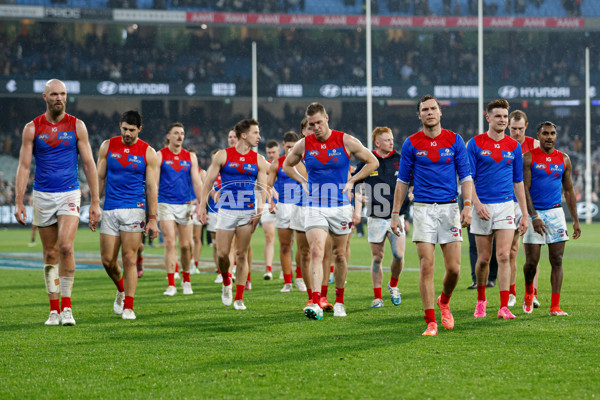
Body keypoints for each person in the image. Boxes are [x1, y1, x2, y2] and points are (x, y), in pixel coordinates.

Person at [14, 78, 101, 326]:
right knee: (50, 252)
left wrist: (95, 201)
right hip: (42, 195)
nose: (59, 98)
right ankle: (53, 310)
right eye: (54, 94)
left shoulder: (77, 126)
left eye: (62, 94)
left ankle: (67, 308)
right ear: (45, 97)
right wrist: (19, 201)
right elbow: (23, 166)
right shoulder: (32, 128)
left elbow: (88, 164)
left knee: (65, 246)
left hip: (69, 194)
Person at [283, 102, 378, 320]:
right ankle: (316, 301)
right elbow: (287, 165)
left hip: (341, 207)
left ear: (327, 118)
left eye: (318, 122)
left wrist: (353, 180)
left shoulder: (345, 140)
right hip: (315, 206)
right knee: (317, 251)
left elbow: (373, 162)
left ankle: (340, 300)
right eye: (311, 124)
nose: (315, 127)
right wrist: (303, 181)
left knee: (340, 255)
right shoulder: (304, 144)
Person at [390, 95, 473, 336]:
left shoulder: (455, 140)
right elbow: (402, 181)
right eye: (425, 109)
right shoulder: (411, 143)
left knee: (454, 269)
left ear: (440, 112)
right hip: (424, 209)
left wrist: (467, 205)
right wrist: (395, 213)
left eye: (433, 108)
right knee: (426, 266)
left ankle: (444, 301)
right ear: (419, 115)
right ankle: (431, 321)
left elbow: (466, 177)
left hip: (449, 208)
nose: (429, 112)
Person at [467, 99, 528, 320]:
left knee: (504, 255)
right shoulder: (474, 143)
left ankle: (503, 306)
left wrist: (525, 214)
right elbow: (467, 178)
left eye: (505, 116)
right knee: (483, 259)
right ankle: (481, 301)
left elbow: (518, 182)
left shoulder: (514, 147)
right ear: (488, 118)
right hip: (482, 206)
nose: (502, 120)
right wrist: (476, 203)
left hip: (505, 206)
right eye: (498, 116)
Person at [199, 118, 268, 310]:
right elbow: (208, 182)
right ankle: (226, 281)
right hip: (226, 211)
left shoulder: (258, 160)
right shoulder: (222, 156)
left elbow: (263, 188)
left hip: (247, 212)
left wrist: (260, 211)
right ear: (244, 135)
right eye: (256, 133)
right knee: (222, 255)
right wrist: (202, 206)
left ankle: (239, 297)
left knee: (241, 254)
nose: (259, 136)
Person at [97, 110, 160, 320]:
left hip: (135, 208)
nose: (127, 134)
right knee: (107, 261)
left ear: (139, 129)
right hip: (110, 209)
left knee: (129, 259)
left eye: (132, 130)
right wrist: (93, 206)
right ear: (120, 126)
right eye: (124, 129)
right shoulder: (107, 146)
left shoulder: (147, 152)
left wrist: (153, 219)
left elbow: (151, 187)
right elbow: (100, 178)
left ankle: (129, 306)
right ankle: (121, 290)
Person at [522, 121, 581, 316]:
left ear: (556, 136)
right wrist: (534, 216)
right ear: (538, 136)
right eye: (545, 133)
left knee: (557, 259)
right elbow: (525, 190)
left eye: (552, 133)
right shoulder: (529, 158)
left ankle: (555, 306)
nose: (549, 137)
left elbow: (569, 190)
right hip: (535, 212)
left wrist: (575, 220)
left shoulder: (564, 159)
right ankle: (529, 290)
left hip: (556, 213)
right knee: (532, 262)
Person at [352, 127, 405, 308]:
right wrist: (359, 195)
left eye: (391, 139)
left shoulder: (400, 159)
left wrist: (412, 192)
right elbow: (355, 184)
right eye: (387, 140)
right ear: (377, 143)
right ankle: (377, 297)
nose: (391, 142)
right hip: (375, 216)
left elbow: (411, 181)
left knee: (398, 255)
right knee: (377, 257)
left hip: (397, 216)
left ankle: (393, 285)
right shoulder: (368, 161)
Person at [158, 123, 204, 296]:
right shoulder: (160, 155)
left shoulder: (190, 156)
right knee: (170, 242)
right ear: (168, 136)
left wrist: (201, 204)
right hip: (165, 204)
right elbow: (153, 182)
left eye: (182, 134)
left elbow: (197, 182)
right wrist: (153, 212)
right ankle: (171, 284)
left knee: (186, 245)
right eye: (176, 133)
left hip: (185, 205)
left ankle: (186, 279)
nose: (179, 136)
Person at [507, 110, 541, 308]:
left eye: (520, 129)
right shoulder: (503, 144)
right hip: (508, 203)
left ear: (526, 127)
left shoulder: (535, 145)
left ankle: (532, 294)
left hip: (529, 204)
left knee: (532, 253)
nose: (517, 133)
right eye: (513, 129)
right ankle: (511, 293)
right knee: (511, 251)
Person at [267, 131, 307, 292]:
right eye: (288, 146)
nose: (290, 149)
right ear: (283, 146)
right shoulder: (278, 163)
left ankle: (299, 277)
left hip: (300, 207)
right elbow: (268, 185)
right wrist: (271, 201)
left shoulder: (304, 162)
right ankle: (287, 281)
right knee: (285, 246)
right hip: (283, 207)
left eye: (293, 146)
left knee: (301, 247)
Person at [262, 140, 280, 280]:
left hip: (285, 204)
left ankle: (285, 269)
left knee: (287, 239)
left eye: (273, 152)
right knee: (269, 236)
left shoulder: (285, 163)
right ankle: (268, 269)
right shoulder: (265, 166)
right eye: (269, 152)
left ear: (278, 151)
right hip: (268, 204)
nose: (271, 154)